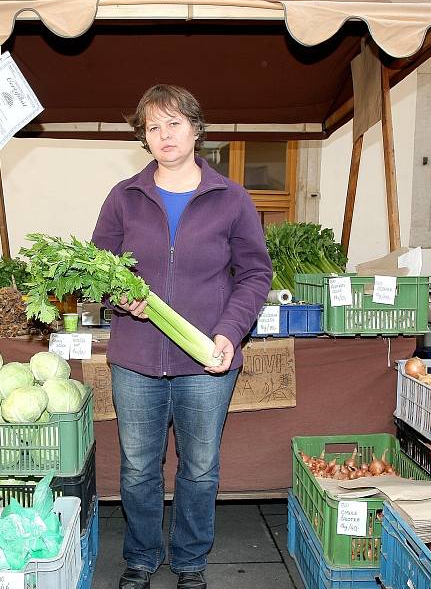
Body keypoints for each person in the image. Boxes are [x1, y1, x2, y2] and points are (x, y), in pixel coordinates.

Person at [92, 84, 272, 589]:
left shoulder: (231, 198)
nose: (164, 134)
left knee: (198, 468)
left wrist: (230, 331)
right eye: (153, 126)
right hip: (135, 359)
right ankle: (141, 559)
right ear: (143, 138)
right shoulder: (125, 197)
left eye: (174, 123)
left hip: (207, 361)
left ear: (196, 128)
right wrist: (116, 296)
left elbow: (255, 274)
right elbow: (99, 269)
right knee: (138, 468)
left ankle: (191, 563)